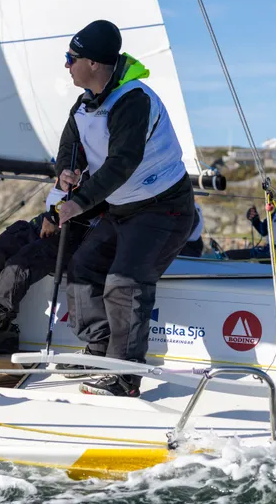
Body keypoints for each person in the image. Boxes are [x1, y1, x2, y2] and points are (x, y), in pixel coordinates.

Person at [54, 20, 195, 397]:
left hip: (164, 209)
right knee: (83, 268)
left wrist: (78, 202)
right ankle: (99, 351)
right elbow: (71, 146)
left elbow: (122, 163)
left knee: (125, 281)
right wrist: (66, 171)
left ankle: (124, 376)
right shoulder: (84, 104)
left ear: (93, 64)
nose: (66, 64)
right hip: (123, 208)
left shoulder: (133, 100)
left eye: (71, 57)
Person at [0, 167, 103, 363]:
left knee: (21, 265)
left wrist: (54, 216)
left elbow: (99, 196)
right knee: (0, 250)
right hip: (53, 219)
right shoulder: (82, 155)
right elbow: (65, 168)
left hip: (81, 231)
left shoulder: (111, 162)